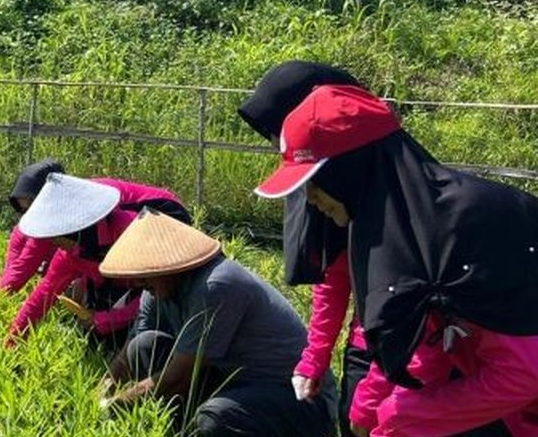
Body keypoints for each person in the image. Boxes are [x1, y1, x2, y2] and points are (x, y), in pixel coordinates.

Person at [253, 82, 538, 436]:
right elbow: (427, 342)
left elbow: (524, 372)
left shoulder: (466, 228)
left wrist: (399, 418)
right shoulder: (404, 228)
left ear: (348, 172)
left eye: (313, 182)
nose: (309, 199)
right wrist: (373, 409)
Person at [100, 209, 337, 437]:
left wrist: (114, 406)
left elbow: (179, 376)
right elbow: (130, 349)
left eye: (144, 275)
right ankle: (185, 427)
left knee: (215, 418)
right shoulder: (155, 290)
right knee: (143, 346)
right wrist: (103, 389)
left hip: (297, 399)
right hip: (234, 383)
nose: (138, 283)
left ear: (169, 265)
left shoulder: (216, 286)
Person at [238, 61, 371, 436]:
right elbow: (335, 273)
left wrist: (373, 399)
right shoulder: (324, 185)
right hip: (366, 344)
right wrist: (315, 358)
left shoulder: (379, 191)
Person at [6, 170, 191, 349]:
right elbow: (43, 294)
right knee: (98, 341)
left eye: (55, 237)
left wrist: (105, 319)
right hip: (123, 278)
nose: (53, 243)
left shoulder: (130, 230)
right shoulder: (70, 253)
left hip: (168, 279)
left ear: (70, 230)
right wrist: (12, 341)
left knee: (144, 337)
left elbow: (153, 295)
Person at [0, 159, 62, 294]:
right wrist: (3, 286)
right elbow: (14, 260)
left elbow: (27, 262)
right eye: (24, 210)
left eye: (32, 206)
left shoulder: (53, 222)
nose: (28, 215)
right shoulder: (24, 226)